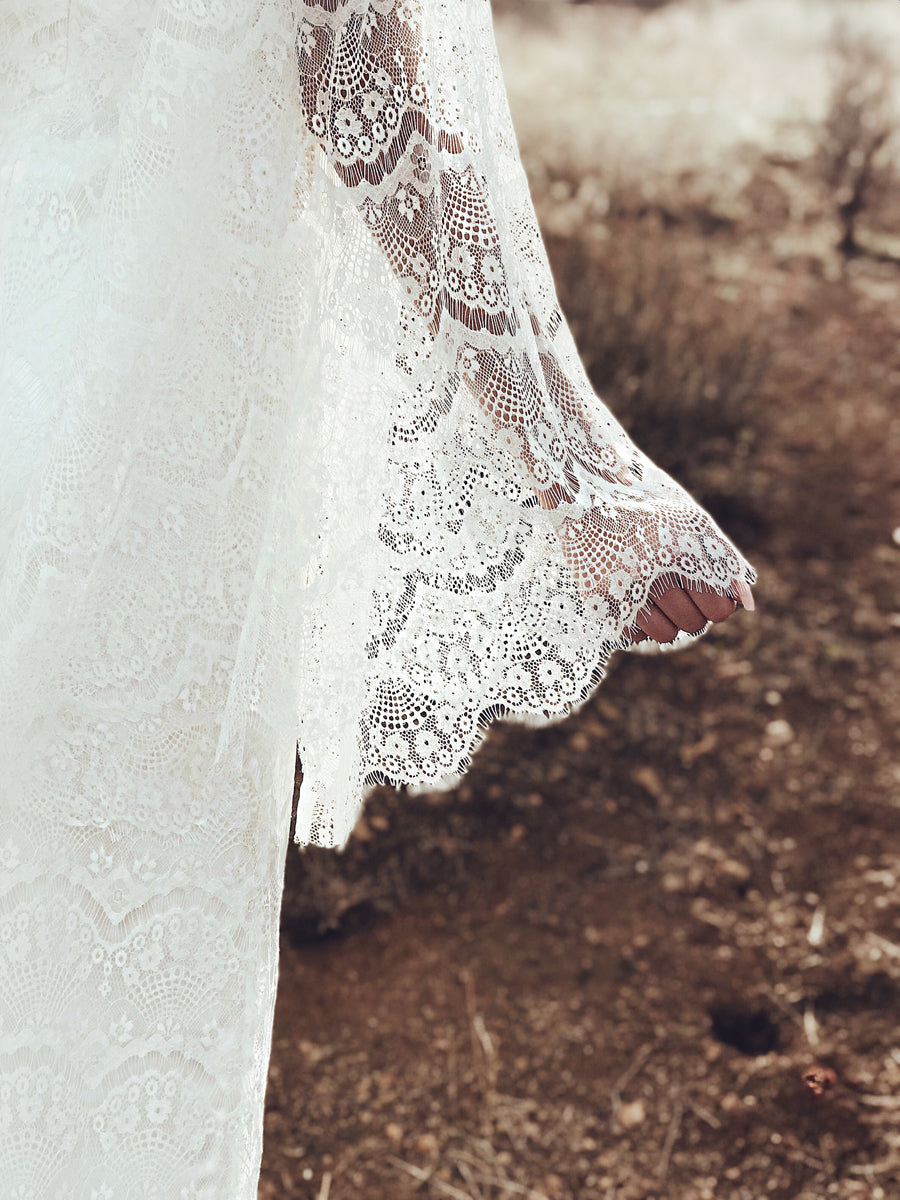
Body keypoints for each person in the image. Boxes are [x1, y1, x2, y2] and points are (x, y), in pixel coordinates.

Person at [0, 1, 755, 1195]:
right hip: (141, 481)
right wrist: (573, 468)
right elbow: (367, 65)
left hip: (48, 377)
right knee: (105, 1026)